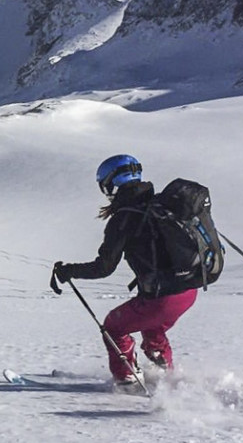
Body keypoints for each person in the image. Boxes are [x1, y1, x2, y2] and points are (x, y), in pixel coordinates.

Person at [51, 154, 199, 391]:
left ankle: (127, 380)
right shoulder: (161, 205)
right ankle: (167, 376)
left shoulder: (125, 216)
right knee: (153, 331)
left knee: (113, 327)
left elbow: (104, 267)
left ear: (111, 182)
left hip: (162, 297)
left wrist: (69, 271)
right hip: (189, 289)